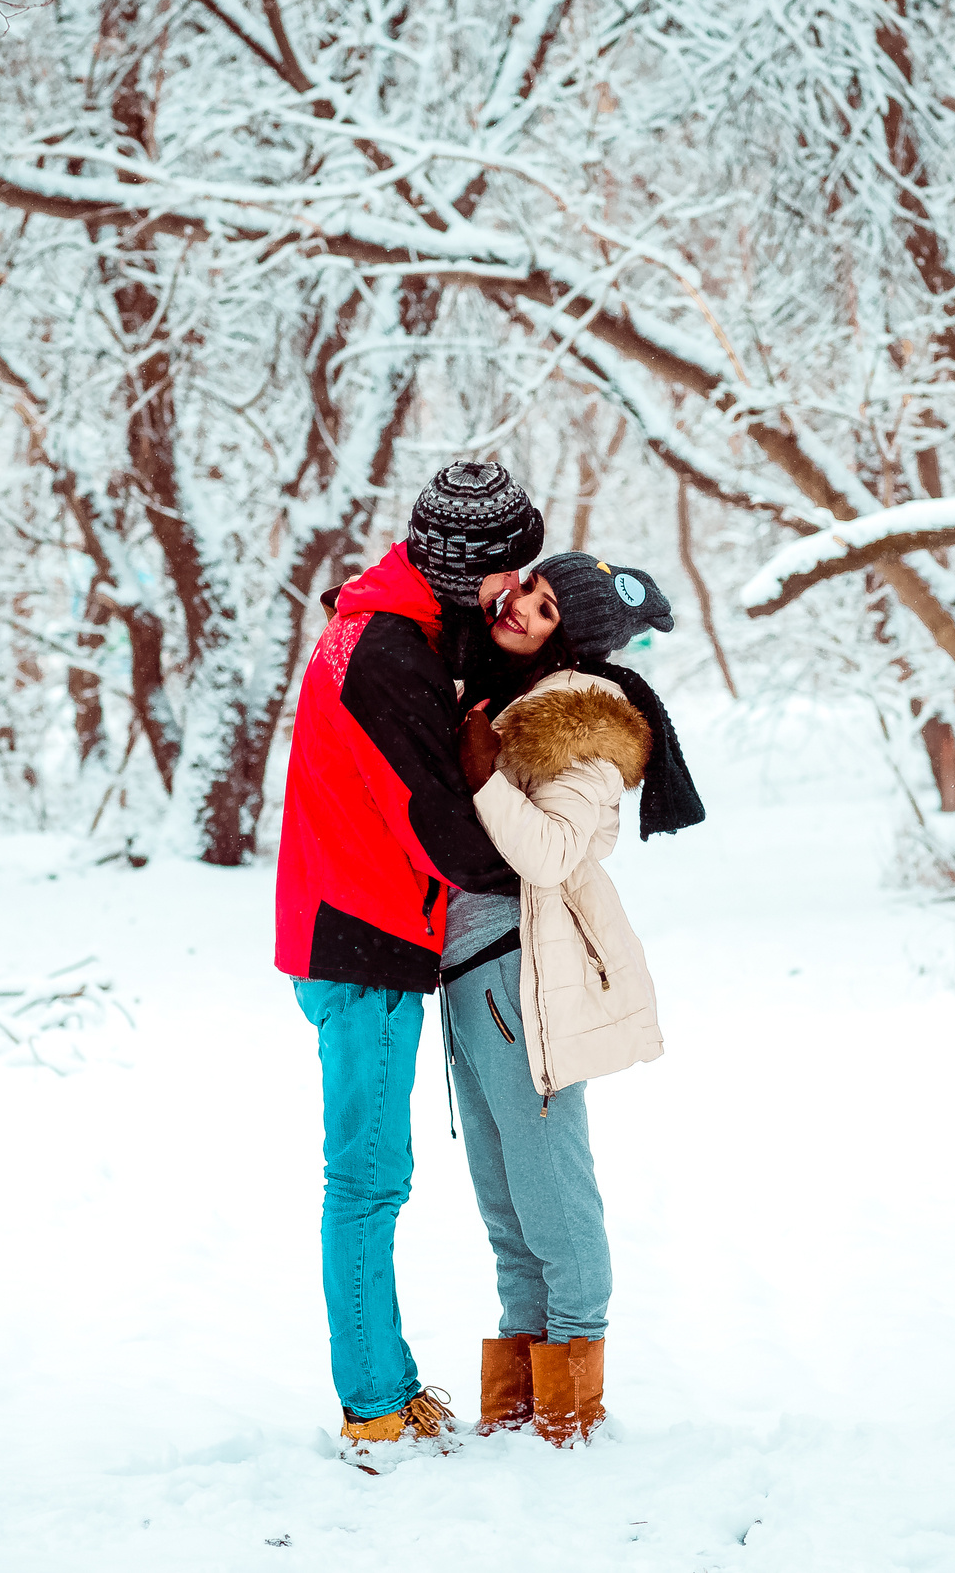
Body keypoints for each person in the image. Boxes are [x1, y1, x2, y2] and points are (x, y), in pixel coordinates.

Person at [273, 460, 545, 1456]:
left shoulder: (394, 624)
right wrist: (541, 877)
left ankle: (381, 1386)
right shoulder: (386, 657)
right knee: (367, 1180)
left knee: (371, 1176)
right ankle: (374, 1405)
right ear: (459, 568)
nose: (516, 593)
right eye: (507, 575)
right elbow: (438, 821)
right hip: (362, 943)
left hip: (351, 928)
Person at [442, 551, 707, 1445]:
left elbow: (554, 852)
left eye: (547, 607)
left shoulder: (577, 725)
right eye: (527, 589)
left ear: (574, 639)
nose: (520, 606)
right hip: (468, 979)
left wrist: (481, 773)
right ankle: (518, 1413)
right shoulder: (507, 694)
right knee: (506, 1206)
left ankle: (572, 1415)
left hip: (523, 980)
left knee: (553, 1194)